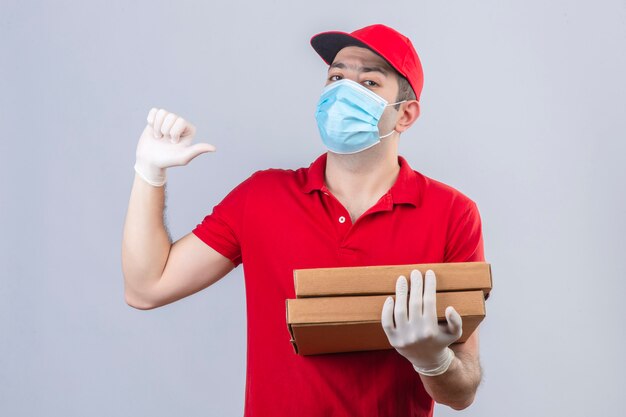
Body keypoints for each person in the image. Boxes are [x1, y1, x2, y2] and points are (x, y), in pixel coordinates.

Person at [122, 24, 485, 417]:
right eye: (336, 76)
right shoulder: (262, 197)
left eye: (369, 81)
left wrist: (433, 360)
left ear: (405, 115)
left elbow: (461, 391)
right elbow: (146, 287)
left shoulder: (452, 213)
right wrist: (148, 174)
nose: (345, 89)